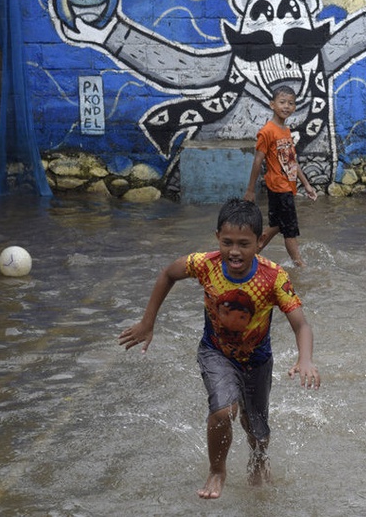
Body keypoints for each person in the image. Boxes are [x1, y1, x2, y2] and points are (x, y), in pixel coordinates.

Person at [118, 198, 321, 500]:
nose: (234, 251)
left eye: (244, 243)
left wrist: (305, 359)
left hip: (257, 360)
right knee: (223, 410)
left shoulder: (273, 276)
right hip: (216, 352)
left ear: (259, 242)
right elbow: (168, 274)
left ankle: (259, 460)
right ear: (217, 238)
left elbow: (301, 324)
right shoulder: (205, 264)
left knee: (256, 429)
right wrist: (148, 323)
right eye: (227, 242)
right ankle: (217, 470)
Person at [244, 85, 317, 267]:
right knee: (289, 229)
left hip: (286, 186)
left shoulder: (285, 130)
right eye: (282, 102)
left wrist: (306, 185)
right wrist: (250, 190)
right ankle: (299, 265)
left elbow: (292, 161)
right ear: (272, 105)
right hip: (278, 187)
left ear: (294, 107)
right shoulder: (267, 131)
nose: (286, 106)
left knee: (277, 225)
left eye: (291, 103)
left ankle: (250, 254)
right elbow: (257, 161)